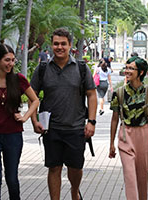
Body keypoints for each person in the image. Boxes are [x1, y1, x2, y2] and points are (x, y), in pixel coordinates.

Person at [30, 28, 97, 200]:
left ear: (70, 45)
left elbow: (91, 94)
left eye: (63, 44)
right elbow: (32, 96)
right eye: (56, 44)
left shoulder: (81, 68)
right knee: (54, 168)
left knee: (75, 167)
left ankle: (75, 192)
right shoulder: (43, 68)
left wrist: (91, 121)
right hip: (51, 129)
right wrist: (34, 120)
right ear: (51, 45)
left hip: (75, 128)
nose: (59, 47)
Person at [0, 44, 40, 200]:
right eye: (7, 60)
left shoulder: (19, 80)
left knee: (11, 178)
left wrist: (25, 117)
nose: (11, 63)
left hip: (13, 134)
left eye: (12, 60)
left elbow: (35, 100)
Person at [109, 56, 148, 200]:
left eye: (131, 68)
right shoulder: (118, 93)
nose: (127, 71)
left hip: (144, 135)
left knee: (142, 176)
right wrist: (111, 144)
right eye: (126, 67)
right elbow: (114, 119)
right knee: (130, 175)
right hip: (126, 135)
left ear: (141, 72)